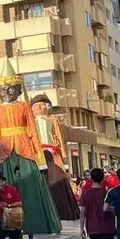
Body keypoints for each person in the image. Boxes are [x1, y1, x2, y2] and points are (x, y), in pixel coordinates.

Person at [0, 59, 62, 239]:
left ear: (17, 88)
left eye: (10, 88)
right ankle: (10, 226)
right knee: (7, 188)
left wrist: (39, 158)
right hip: (6, 152)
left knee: (30, 190)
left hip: (25, 149)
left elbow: (32, 130)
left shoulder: (23, 107)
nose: (7, 91)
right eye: (3, 88)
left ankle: (33, 227)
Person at [30, 94, 80, 222]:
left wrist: (62, 156)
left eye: (42, 105)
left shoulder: (53, 120)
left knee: (57, 180)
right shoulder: (29, 122)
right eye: (36, 105)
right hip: (37, 153)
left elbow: (58, 138)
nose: (40, 107)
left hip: (52, 151)